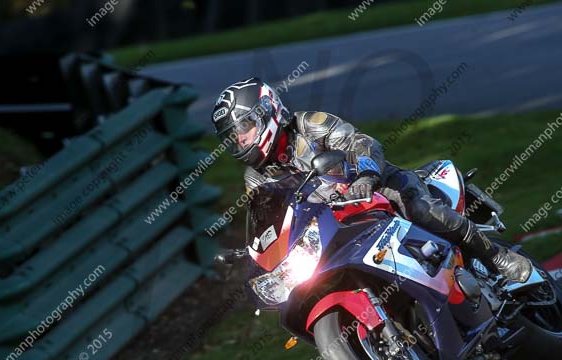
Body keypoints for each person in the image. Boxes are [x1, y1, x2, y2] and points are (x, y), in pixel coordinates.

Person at [211, 77, 531, 282]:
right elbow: (268, 219)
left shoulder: (307, 123)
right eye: (232, 137)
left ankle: (497, 256)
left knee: (419, 208)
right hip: (331, 223)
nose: (240, 141)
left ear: (268, 110)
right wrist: (254, 257)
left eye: (243, 128)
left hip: (377, 185)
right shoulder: (254, 176)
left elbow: (360, 142)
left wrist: (365, 174)